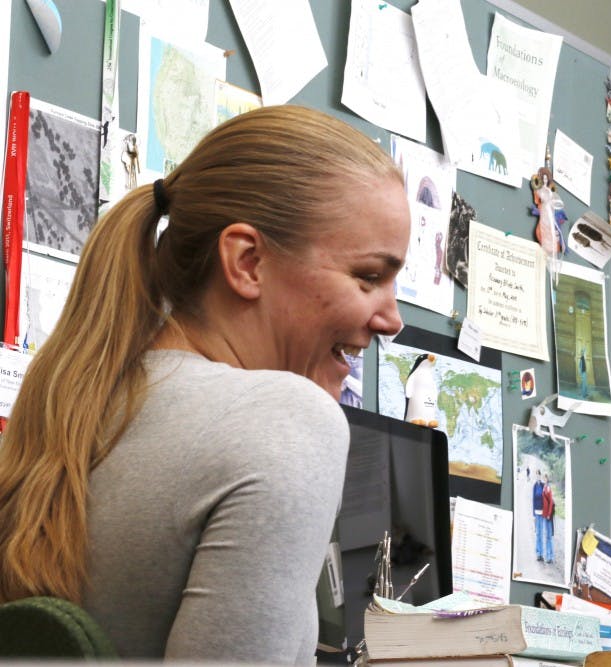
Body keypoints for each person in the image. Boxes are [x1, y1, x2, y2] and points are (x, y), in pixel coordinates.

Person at [0, 105, 409, 662]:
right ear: (247, 263)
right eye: (368, 277)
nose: (391, 319)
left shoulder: (86, 397)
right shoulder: (288, 421)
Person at [541, 473, 555, 564]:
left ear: (547, 479)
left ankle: (550, 557)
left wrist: (549, 514)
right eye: (544, 478)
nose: (544, 479)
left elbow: (550, 502)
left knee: (549, 537)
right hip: (545, 515)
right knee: (547, 536)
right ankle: (548, 556)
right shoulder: (544, 487)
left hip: (548, 516)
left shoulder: (548, 488)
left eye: (545, 478)